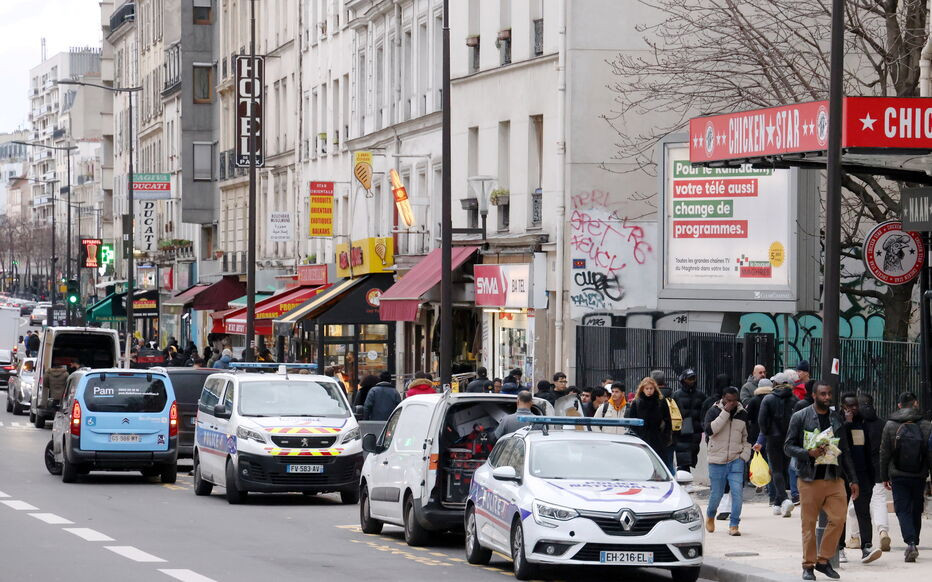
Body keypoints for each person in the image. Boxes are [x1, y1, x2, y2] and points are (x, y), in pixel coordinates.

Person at [785, 382, 859, 581]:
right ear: (814, 395)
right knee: (808, 525)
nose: (827, 397)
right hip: (809, 479)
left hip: (834, 477)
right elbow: (788, 446)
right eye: (823, 394)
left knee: (838, 519)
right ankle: (808, 565)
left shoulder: (836, 418)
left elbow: (846, 452)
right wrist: (807, 453)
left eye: (829, 394)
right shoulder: (800, 416)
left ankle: (823, 560)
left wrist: (853, 479)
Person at [879, 392, 932, 563]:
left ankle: (910, 542)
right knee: (917, 508)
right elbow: (930, 453)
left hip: (898, 474)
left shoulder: (890, 425)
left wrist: (883, 476)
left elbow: (884, 453)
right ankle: (914, 540)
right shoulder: (926, 425)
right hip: (919, 474)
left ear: (899, 405)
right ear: (915, 403)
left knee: (902, 509)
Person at [834, 392, 883, 564]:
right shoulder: (837, 422)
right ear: (842, 407)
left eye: (855, 405)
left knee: (863, 511)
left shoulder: (863, 423)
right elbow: (839, 444)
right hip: (843, 475)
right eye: (849, 406)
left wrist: (871, 476)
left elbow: (867, 448)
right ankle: (839, 548)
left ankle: (866, 546)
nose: (853, 409)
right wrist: (846, 424)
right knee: (840, 513)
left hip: (862, 475)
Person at [703, 386, 752, 536]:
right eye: (729, 400)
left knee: (737, 493)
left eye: (734, 401)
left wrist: (744, 455)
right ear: (723, 398)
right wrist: (725, 412)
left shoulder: (742, 413)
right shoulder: (714, 411)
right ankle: (711, 515)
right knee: (716, 494)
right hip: (717, 460)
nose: (732, 403)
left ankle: (734, 524)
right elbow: (710, 430)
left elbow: (746, 437)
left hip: (736, 459)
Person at [846, 393, 891, 553]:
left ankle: (856, 538)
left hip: (861, 471)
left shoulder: (859, 424)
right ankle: (881, 531)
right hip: (875, 470)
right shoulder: (881, 424)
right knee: (877, 502)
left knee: (855, 506)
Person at [757, 372, 799, 517]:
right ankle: (777, 502)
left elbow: (761, 421)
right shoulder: (794, 399)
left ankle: (784, 499)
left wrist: (767, 432)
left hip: (773, 439)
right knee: (784, 468)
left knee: (776, 470)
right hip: (789, 438)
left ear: (775, 384)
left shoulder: (768, 399)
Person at [625, 377, 672, 459]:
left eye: (651, 388)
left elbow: (667, 420)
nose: (649, 391)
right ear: (642, 389)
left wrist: (665, 437)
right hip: (642, 438)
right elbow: (632, 422)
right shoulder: (636, 402)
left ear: (655, 389)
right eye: (647, 388)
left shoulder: (660, 401)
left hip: (658, 438)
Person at [672, 368, 706, 472]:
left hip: (695, 431)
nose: (691, 381)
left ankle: (684, 472)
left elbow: (704, 411)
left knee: (691, 456)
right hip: (681, 431)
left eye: (693, 379)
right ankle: (683, 473)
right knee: (683, 460)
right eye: (689, 379)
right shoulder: (676, 395)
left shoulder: (700, 395)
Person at [651, 370, 681, 473]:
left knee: (653, 464)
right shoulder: (673, 395)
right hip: (670, 436)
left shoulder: (651, 396)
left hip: (654, 436)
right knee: (668, 463)